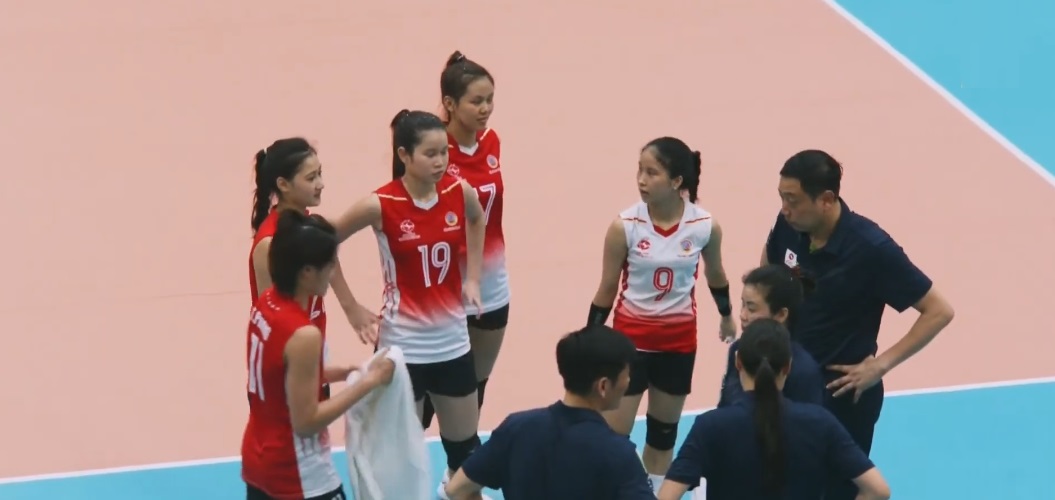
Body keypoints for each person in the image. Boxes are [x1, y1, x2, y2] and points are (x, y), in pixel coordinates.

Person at [761, 149, 955, 500]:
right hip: (785, 382)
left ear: (826, 199)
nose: (785, 208)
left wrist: (880, 365)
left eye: (793, 200)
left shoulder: (871, 248)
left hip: (840, 396)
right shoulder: (789, 225)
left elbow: (938, 310)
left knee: (837, 491)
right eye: (781, 198)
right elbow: (770, 265)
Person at [329, 109, 488, 500]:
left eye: (444, 153)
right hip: (403, 347)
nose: (440, 162)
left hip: (452, 343)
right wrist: (351, 308)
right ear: (404, 154)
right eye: (430, 154)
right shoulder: (379, 204)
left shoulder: (457, 191)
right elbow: (323, 244)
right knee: (400, 453)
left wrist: (472, 278)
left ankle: (458, 492)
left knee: (466, 450)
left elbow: (477, 219)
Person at [587, 136, 736, 492]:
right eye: (639, 170)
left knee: (663, 436)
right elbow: (607, 287)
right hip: (629, 345)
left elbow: (716, 274)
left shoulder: (703, 226)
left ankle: (653, 491)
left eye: (651, 173)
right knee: (613, 434)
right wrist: (591, 337)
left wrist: (727, 314)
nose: (641, 179)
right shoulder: (624, 225)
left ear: (676, 182)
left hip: (677, 344)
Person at [241, 210, 396, 500]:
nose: (333, 272)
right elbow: (307, 420)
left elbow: (279, 374)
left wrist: (344, 372)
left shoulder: (264, 306)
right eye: (329, 265)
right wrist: (369, 383)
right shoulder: (304, 333)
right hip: (298, 474)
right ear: (307, 272)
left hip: (257, 461)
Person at [657, 319, 892, 500]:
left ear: (738, 362)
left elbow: (667, 495)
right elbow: (878, 491)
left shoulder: (711, 426)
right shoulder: (821, 422)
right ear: (788, 366)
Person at [443, 325, 656, 500]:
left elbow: (456, 489)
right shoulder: (620, 454)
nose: (628, 382)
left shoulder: (516, 428)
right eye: (626, 376)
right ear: (603, 386)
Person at [421, 50, 510, 432]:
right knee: (426, 397)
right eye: (476, 101)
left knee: (475, 386)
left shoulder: (491, 142)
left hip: (492, 286)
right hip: (443, 291)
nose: (485, 108)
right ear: (449, 104)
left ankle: (455, 478)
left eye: (490, 99)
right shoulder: (434, 154)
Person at [249, 137, 379, 343]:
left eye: (320, 174)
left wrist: (351, 308)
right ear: (283, 184)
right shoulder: (269, 244)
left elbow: (329, 259)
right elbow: (269, 316)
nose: (321, 184)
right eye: (311, 178)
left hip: (312, 336)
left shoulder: (309, 224)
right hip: (287, 348)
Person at [716, 264, 825, 408]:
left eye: (752, 308)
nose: (742, 315)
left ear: (781, 314)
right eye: (743, 305)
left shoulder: (804, 372)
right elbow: (725, 405)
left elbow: (807, 425)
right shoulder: (737, 349)